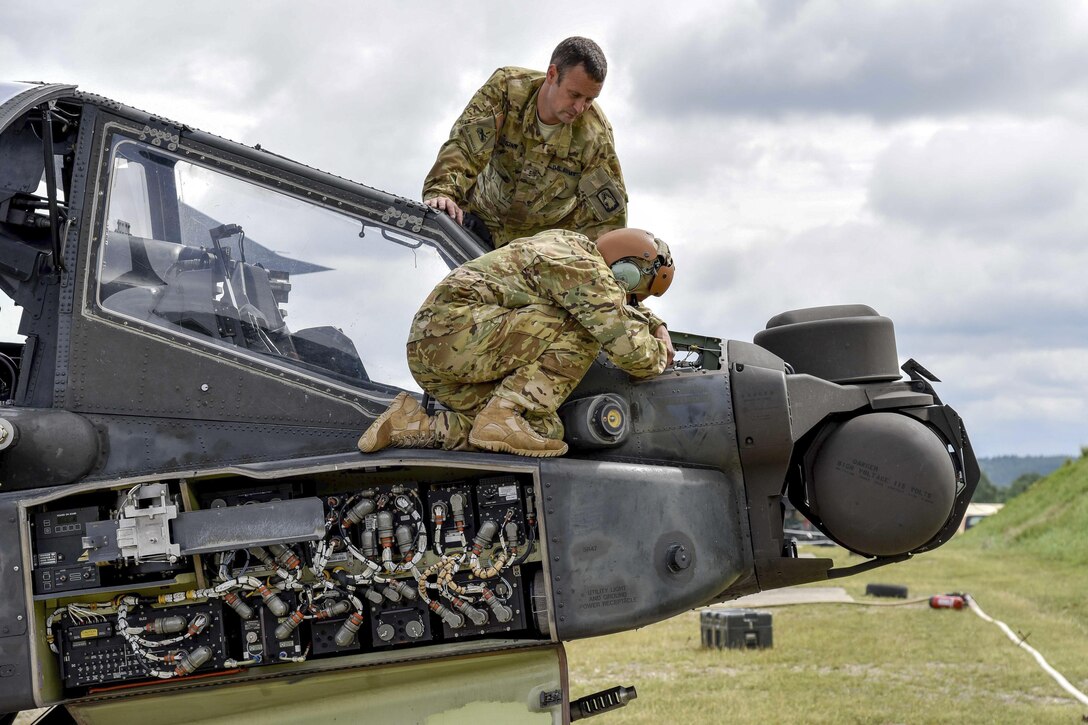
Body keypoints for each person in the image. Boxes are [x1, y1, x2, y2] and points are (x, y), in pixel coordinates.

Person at [358, 228, 675, 458]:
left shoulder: (571, 252)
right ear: (628, 271)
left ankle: (412, 425)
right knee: (587, 329)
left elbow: (612, 306)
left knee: (544, 431)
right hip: (456, 334)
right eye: (633, 293)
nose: (629, 300)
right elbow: (634, 353)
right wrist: (661, 352)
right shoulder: (582, 266)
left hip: (440, 354)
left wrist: (655, 324)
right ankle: (505, 410)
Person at [423, 37, 627, 248]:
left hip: (535, 252)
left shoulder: (595, 137)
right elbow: (465, 147)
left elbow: (607, 221)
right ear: (552, 74)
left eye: (589, 100)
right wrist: (442, 191)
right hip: (479, 224)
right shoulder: (506, 90)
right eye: (574, 95)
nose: (579, 108)